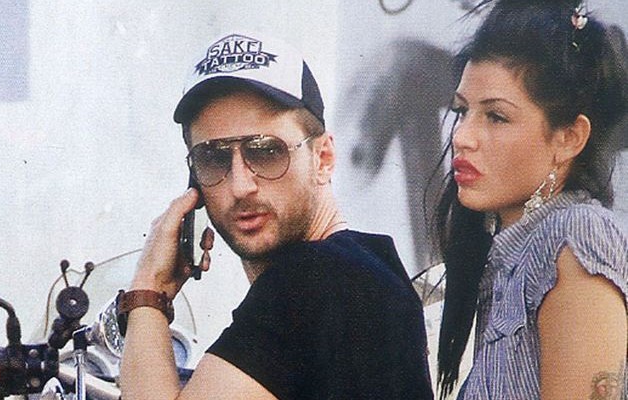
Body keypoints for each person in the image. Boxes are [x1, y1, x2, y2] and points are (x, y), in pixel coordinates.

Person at [118, 32, 433, 399]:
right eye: (213, 158)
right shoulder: (368, 265)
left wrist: (148, 289)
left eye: (266, 151)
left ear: (323, 158)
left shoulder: (312, 279)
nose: (240, 185)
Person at [432, 0, 628, 399]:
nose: (462, 137)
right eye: (461, 111)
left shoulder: (576, 236)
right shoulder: (506, 255)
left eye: (496, 117)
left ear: (569, 138)